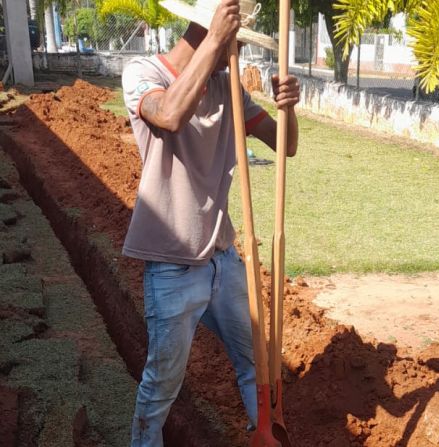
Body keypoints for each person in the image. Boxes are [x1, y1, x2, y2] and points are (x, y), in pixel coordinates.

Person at [120, 0, 300, 444]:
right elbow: (169, 115)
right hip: (172, 262)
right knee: (163, 384)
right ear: (208, 30)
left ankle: (264, 434)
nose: (236, 51)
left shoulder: (227, 88)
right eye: (233, 40)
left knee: (255, 363)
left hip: (222, 258)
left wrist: (289, 108)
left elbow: (284, 145)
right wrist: (217, 37)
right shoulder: (143, 73)